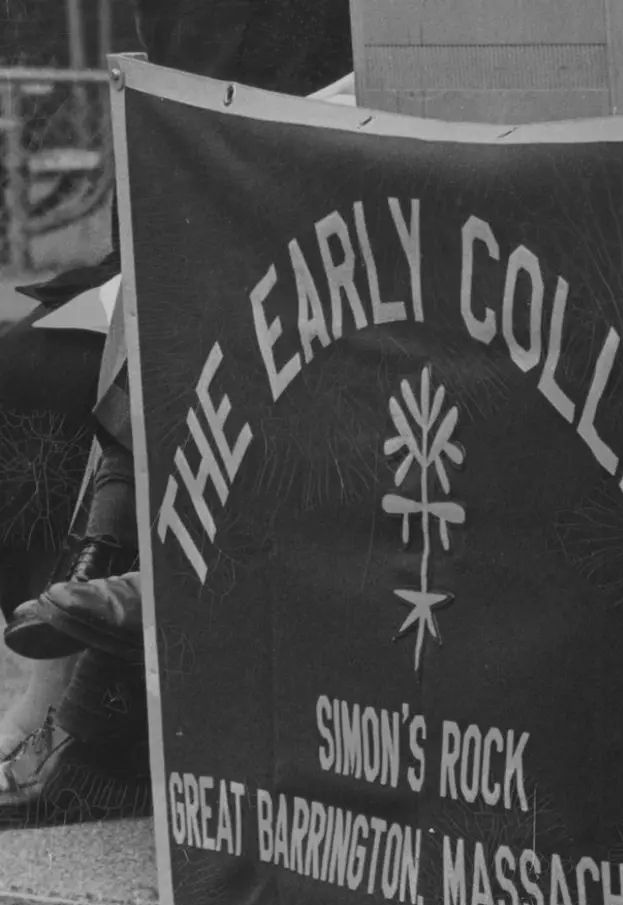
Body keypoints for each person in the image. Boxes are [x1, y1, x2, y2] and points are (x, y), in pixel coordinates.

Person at [0, 0, 353, 819]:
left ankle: (73, 688)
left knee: (166, 292)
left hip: (319, 241)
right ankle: (87, 633)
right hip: (186, 248)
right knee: (24, 361)